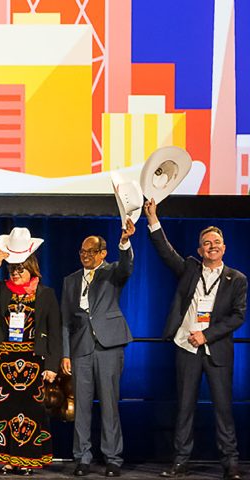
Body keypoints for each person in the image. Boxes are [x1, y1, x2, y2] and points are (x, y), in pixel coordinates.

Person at [145, 200, 245, 480]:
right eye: (206, 242)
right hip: (187, 347)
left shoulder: (236, 279)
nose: (211, 245)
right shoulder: (189, 268)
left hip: (217, 350)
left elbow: (238, 317)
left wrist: (207, 334)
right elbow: (166, 252)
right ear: (200, 249)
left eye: (216, 242)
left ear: (223, 248)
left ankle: (230, 463)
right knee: (185, 407)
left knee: (223, 410)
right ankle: (181, 461)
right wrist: (153, 218)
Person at [60, 220, 136, 478]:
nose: (85, 256)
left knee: (109, 404)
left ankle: (113, 458)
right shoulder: (70, 280)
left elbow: (127, 267)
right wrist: (65, 353)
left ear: (103, 253)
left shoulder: (112, 272)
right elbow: (65, 320)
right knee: (81, 405)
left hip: (109, 345)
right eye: (82, 251)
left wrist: (124, 242)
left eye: (91, 252)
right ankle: (82, 457)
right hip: (81, 347)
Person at [0, 236, 62, 475]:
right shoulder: (3, 289)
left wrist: (52, 365)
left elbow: (55, 332)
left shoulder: (46, 294)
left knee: (31, 412)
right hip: (3, 359)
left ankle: (27, 458)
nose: (15, 273)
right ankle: (6, 457)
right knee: (3, 410)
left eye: (20, 269)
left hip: (33, 362)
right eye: (12, 269)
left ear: (31, 268)